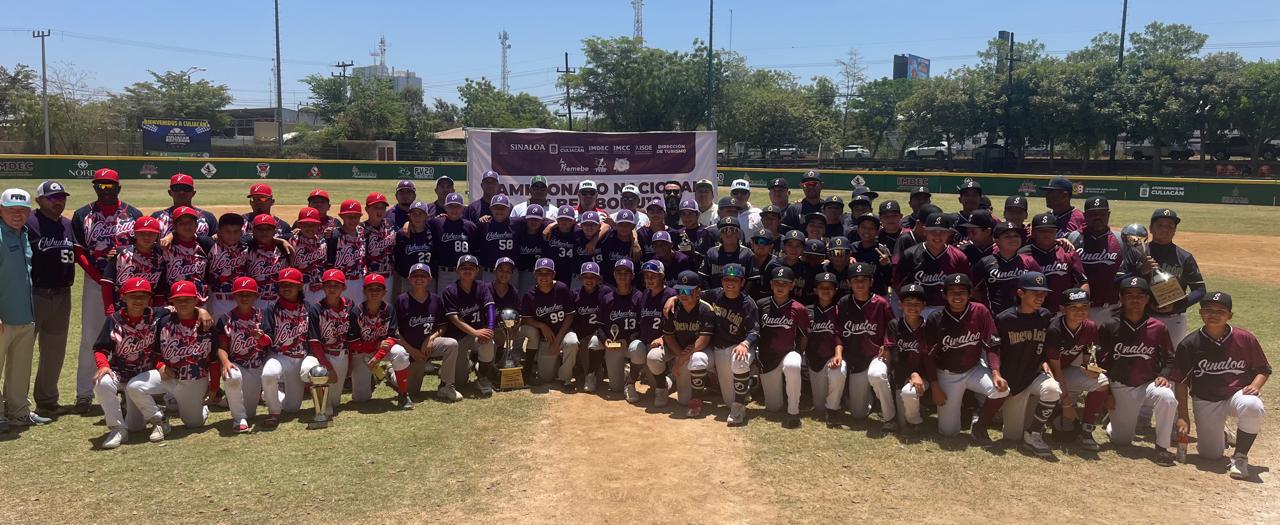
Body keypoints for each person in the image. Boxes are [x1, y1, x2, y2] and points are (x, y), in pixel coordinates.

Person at [1171, 292, 1269, 479]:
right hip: (1206, 399)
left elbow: (1263, 369)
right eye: (1208, 310)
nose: (1213, 314)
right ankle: (1223, 435)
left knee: (1253, 405)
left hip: (1236, 395)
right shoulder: (1189, 344)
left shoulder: (1245, 338)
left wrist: (1256, 385)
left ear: (1229, 315)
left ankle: (1240, 457)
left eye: (1220, 311)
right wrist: (1183, 416)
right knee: (1210, 455)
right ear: (1200, 313)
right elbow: (1181, 383)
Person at [71, 168, 142, 413]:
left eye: (110, 186)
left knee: (129, 337)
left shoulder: (133, 214)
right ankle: (83, 394)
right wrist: (99, 277)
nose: (105, 190)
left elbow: (142, 245)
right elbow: (79, 252)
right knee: (91, 337)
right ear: (94, 188)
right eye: (101, 186)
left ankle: (126, 390)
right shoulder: (82, 215)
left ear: (119, 188)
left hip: (128, 284)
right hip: (95, 282)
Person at [1098, 276, 1178, 466]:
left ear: (1147, 299)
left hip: (1147, 384)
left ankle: (1162, 448)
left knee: (1167, 396)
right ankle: (1113, 422)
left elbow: (1170, 359)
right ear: (1121, 298)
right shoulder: (1110, 326)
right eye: (1129, 295)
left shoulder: (1158, 327)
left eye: (1140, 295)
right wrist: (1106, 392)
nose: (1135, 299)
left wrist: (1164, 376)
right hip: (1119, 386)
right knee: (1121, 441)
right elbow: (1100, 364)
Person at [127, 281, 215, 442]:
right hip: (169, 377)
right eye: (178, 299)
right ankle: (159, 420)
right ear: (171, 302)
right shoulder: (164, 322)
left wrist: (214, 386)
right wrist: (160, 366)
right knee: (134, 386)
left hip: (194, 381)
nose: (182, 303)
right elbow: (155, 352)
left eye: (187, 299)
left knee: (193, 424)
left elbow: (215, 359)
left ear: (196, 300)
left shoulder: (206, 323)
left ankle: (200, 410)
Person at [923, 273, 1009, 438]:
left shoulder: (980, 311)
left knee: (1001, 390)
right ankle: (961, 410)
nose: (957, 296)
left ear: (970, 294)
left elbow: (992, 345)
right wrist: (934, 387)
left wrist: (996, 372)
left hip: (973, 368)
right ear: (944, 295)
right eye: (952, 291)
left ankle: (980, 426)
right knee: (949, 432)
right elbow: (929, 357)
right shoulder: (936, 318)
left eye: (962, 291)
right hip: (947, 374)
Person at [28, 181, 87, 415]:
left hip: (63, 294)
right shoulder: (28, 222)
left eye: (61, 197)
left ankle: (47, 400)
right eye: (52, 197)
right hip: (34, 293)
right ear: (39, 200)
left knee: (54, 351)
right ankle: (15, 404)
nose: (58, 201)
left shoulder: (68, 224)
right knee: (21, 351)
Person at [988, 272, 1062, 457]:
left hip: (1034, 375)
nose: (1040, 297)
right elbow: (994, 348)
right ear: (1021, 293)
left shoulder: (1045, 316)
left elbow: (1046, 345)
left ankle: (1035, 432)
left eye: (1043, 293)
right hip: (1013, 382)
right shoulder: (1005, 319)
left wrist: (1045, 362)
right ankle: (1002, 414)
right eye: (1034, 292)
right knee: (1012, 437)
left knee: (1053, 389)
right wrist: (996, 373)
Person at [90, 277, 159, 448]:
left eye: (142, 296)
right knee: (103, 382)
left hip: (145, 376)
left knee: (137, 426)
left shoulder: (158, 314)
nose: (137, 300)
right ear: (123, 297)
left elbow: (183, 309)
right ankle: (118, 429)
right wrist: (103, 365)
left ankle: (153, 416)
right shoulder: (114, 320)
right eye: (132, 296)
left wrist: (201, 311)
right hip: (121, 372)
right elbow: (100, 348)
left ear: (149, 298)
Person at [1120, 208, 1205, 346]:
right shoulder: (1137, 253)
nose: (1165, 229)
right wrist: (1140, 272)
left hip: (1174, 319)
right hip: (1140, 317)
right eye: (1160, 225)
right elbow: (1119, 281)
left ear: (1175, 230)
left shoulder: (1185, 257)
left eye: (1170, 226)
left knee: (1171, 362)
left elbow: (1200, 290)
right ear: (1151, 229)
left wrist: (1177, 306)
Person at [0, 188, 46, 431]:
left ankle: (19, 413)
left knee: (20, 371)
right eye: (10, 210)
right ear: (1, 210)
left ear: (29, 212)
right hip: (2, 317)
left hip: (25, 316)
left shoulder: (24, 234)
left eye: (22, 210)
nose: (16, 215)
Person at [1046, 288, 1110, 451]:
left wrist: (1088, 368)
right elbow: (1055, 369)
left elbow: (1088, 356)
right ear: (1062, 309)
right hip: (1046, 374)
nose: (1080, 311)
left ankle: (1087, 429)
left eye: (1084, 307)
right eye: (1074, 307)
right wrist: (1067, 404)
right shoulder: (1055, 329)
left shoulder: (1090, 327)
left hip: (1064, 372)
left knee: (1101, 381)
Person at [647, 271, 715, 417]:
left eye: (687, 290)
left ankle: (697, 399)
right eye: (679, 290)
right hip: (679, 349)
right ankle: (663, 386)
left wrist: (680, 361)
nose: (683, 294)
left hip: (700, 350)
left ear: (698, 291)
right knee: (653, 356)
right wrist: (680, 356)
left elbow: (703, 340)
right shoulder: (672, 307)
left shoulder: (706, 309)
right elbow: (669, 336)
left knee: (697, 359)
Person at [838, 262, 896, 430]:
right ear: (849, 283)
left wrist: (887, 345)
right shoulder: (844, 302)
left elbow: (892, 327)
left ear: (871, 282)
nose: (860, 284)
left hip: (875, 356)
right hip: (855, 360)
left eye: (864, 280)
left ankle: (890, 417)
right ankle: (869, 396)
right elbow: (838, 331)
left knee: (877, 374)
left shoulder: (881, 303)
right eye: (855, 280)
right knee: (858, 413)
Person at [393, 264, 462, 400]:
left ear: (430, 279)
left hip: (428, 348)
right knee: (412, 391)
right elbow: (395, 332)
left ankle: (446, 386)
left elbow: (443, 326)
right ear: (409, 279)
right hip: (409, 350)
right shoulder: (402, 300)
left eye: (423, 276)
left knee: (451, 344)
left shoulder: (435, 299)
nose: (419, 279)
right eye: (415, 276)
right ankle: (392, 372)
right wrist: (413, 351)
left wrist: (431, 338)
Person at [346, 274, 413, 408]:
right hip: (362, 352)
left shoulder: (389, 309)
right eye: (370, 289)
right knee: (360, 399)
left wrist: (378, 356)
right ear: (364, 291)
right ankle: (374, 376)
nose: (374, 292)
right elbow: (353, 342)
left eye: (378, 289)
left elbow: (393, 337)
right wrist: (375, 345)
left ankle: (403, 394)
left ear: (384, 292)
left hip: (384, 350)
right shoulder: (355, 312)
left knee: (400, 353)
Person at [215, 277, 272, 433]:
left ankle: (234, 402)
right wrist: (225, 362)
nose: (245, 298)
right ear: (234, 296)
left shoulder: (263, 315)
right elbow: (221, 347)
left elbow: (269, 344)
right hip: (238, 365)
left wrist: (261, 338)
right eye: (241, 294)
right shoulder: (225, 318)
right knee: (231, 376)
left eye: (249, 294)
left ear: (256, 296)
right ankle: (238, 418)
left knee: (251, 413)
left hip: (258, 368)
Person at [756, 267, 809, 429]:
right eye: (777, 283)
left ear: (792, 285)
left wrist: (800, 353)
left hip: (789, 353)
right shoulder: (761, 304)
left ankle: (793, 412)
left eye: (785, 283)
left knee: (793, 365)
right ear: (771, 284)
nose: (781, 286)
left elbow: (804, 336)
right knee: (773, 407)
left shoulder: (799, 308)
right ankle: (781, 400)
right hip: (767, 357)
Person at [259, 268, 311, 427]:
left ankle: (273, 394)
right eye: (283, 285)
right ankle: (273, 412)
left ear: (300, 286)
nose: (287, 288)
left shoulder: (308, 307)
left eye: (291, 285)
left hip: (300, 358)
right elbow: (268, 340)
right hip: (279, 356)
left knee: (292, 408)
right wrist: (261, 338)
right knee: (268, 374)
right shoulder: (271, 309)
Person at [894, 213, 971, 318]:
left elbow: (966, 287)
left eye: (942, 232)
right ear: (925, 231)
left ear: (949, 233)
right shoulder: (910, 255)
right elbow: (899, 284)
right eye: (933, 231)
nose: (937, 235)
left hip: (947, 310)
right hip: (917, 309)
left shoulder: (959, 257)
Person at [442, 255, 497, 397]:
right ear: (457, 271)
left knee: (489, 342)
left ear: (477, 271)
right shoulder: (450, 290)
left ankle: (482, 376)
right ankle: (459, 367)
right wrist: (476, 332)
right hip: (458, 338)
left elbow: (490, 307)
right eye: (464, 268)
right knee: (460, 382)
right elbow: (454, 319)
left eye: (471, 268)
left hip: (476, 336)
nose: (467, 270)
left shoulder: (482, 286)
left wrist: (489, 330)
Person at [519, 258, 579, 390]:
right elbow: (526, 319)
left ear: (554, 274)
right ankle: (557, 360)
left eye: (548, 273)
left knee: (572, 342)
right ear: (535, 275)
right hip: (546, 338)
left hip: (563, 333)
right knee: (546, 377)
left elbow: (570, 315)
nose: (544, 277)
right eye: (540, 273)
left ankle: (565, 378)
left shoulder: (562, 288)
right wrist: (542, 326)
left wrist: (558, 341)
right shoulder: (530, 294)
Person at [302, 269, 354, 418]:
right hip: (322, 356)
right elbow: (314, 342)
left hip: (342, 356)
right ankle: (320, 405)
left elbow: (350, 339)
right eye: (328, 285)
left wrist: (350, 364)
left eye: (336, 285)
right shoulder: (316, 309)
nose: (332, 288)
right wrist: (328, 367)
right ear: (323, 287)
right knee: (310, 371)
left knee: (335, 402)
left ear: (343, 287)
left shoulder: (350, 306)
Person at [1071, 197, 1124, 324]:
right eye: (1093, 214)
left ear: (1108, 215)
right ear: (1084, 216)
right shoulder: (1073, 238)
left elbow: (1128, 274)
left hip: (1110, 309)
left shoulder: (1121, 240)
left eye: (1102, 214)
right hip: (1078, 308)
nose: (1097, 217)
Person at [1021, 212, 1088, 313]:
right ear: (1033, 233)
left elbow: (1083, 282)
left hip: (1062, 312)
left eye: (1051, 231)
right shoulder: (1023, 254)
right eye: (1042, 231)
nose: (1047, 234)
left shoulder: (1067, 252)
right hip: (1033, 313)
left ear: (1056, 232)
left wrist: (1082, 305)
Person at [973, 222, 1041, 316]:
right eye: (1007, 236)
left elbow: (1040, 288)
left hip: (1024, 318)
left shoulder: (1029, 261)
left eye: (1016, 236)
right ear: (996, 240)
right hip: (994, 318)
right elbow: (972, 290)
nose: (1013, 239)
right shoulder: (985, 263)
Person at [887, 283, 930, 434]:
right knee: (901, 423)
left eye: (917, 303)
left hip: (925, 377)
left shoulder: (929, 327)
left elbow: (931, 358)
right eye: (908, 303)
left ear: (924, 305)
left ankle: (916, 421)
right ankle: (915, 413)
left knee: (910, 393)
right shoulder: (894, 325)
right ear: (900, 305)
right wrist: (911, 374)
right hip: (902, 375)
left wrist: (919, 375)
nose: (913, 307)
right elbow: (894, 355)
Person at [631, 260, 675, 401]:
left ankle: (663, 387)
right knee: (635, 348)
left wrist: (664, 337)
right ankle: (629, 383)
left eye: (653, 276)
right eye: (646, 276)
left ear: (662, 276)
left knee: (654, 358)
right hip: (647, 344)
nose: (649, 279)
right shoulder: (645, 294)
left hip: (666, 345)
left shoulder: (670, 294)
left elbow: (678, 323)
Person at [806, 272, 846, 425]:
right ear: (815, 290)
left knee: (839, 370)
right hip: (813, 358)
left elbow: (840, 336)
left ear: (835, 290)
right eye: (821, 287)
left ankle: (833, 410)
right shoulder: (807, 310)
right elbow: (803, 336)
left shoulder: (839, 310)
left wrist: (838, 354)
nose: (825, 291)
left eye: (829, 288)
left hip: (831, 355)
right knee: (818, 406)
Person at [600, 259, 643, 398]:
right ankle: (625, 371)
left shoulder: (639, 297)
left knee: (638, 349)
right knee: (616, 387)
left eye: (626, 272)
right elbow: (599, 325)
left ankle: (632, 378)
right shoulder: (607, 298)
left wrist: (628, 340)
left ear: (632, 276)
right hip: (613, 345)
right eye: (619, 272)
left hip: (632, 344)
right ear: (613, 274)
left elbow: (644, 326)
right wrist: (604, 339)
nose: (622, 275)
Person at [427, 193, 478, 293]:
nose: (454, 210)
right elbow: (420, 224)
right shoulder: (437, 223)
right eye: (451, 206)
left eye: (458, 206)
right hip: (445, 272)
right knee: (444, 303)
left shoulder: (470, 226)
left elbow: (475, 250)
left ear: (463, 208)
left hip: (465, 272)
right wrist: (407, 224)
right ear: (445, 207)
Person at [160, 207, 215, 299]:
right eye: (182, 223)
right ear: (175, 226)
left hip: (199, 300)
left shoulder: (205, 244)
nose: (187, 226)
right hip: (174, 301)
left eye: (190, 223)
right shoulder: (166, 247)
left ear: (196, 225)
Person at [570, 262, 609, 392]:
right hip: (584, 336)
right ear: (580, 279)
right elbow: (573, 321)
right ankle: (588, 368)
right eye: (585, 277)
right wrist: (581, 338)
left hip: (602, 335)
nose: (589, 280)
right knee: (595, 375)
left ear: (598, 279)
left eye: (592, 277)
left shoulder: (606, 292)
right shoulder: (575, 294)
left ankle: (606, 366)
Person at [244, 214, 290, 310]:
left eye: (268, 229)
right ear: (253, 231)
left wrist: (281, 241)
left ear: (274, 231)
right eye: (260, 229)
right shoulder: (247, 248)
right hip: (255, 302)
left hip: (279, 300)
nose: (264, 232)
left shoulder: (283, 248)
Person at [206, 214, 248, 320]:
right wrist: (170, 236)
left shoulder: (247, 245)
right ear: (219, 231)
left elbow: (270, 237)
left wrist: (281, 241)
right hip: (216, 300)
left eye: (236, 231)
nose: (232, 236)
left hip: (240, 300)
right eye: (228, 231)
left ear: (242, 232)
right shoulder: (209, 245)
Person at [151, 173, 217, 237]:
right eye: (177, 188)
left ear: (193, 193)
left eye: (186, 189)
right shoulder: (157, 217)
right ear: (170, 192)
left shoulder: (208, 218)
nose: (181, 192)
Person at [699, 217, 753, 290]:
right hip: (715, 298)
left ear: (738, 234)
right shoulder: (711, 253)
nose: (728, 233)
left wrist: (742, 296)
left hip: (740, 298)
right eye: (724, 230)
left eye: (732, 229)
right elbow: (704, 278)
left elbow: (751, 280)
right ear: (720, 234)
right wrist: (711, 296)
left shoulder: (747, 254)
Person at [291, 207, 329, 304]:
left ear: (318, 225)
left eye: (313, 225)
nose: (309, 228)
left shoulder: (322, 241)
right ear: (299, 225)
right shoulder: (292, 241)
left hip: (320, 288)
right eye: (305, 225)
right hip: (301, 288)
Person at [479, 194, 517, 284]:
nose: (499, 211)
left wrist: (551, 225)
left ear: (509, 209)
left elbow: (537, 220)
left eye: (503, 208)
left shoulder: (517, 223)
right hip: (489, 272)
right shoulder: (483, 225)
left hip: (510, 273)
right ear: (491, 209)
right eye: (496, 208)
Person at [362, 192, 398, 285]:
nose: (380, 211)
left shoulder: (390, 223)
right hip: (370, 277)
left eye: (382, 208)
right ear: (367, 209)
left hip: (390, 276)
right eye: (375, 208)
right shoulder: (360, 229)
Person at [512, 204, 548, 292]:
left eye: (537, 219)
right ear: (526, 219)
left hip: (540, 273)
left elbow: (561, 221)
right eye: (531, 219)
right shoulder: (519, 230)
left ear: (542, 220)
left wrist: (552, 225)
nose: (534, 222)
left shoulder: (546, 231)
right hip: (520, 272)